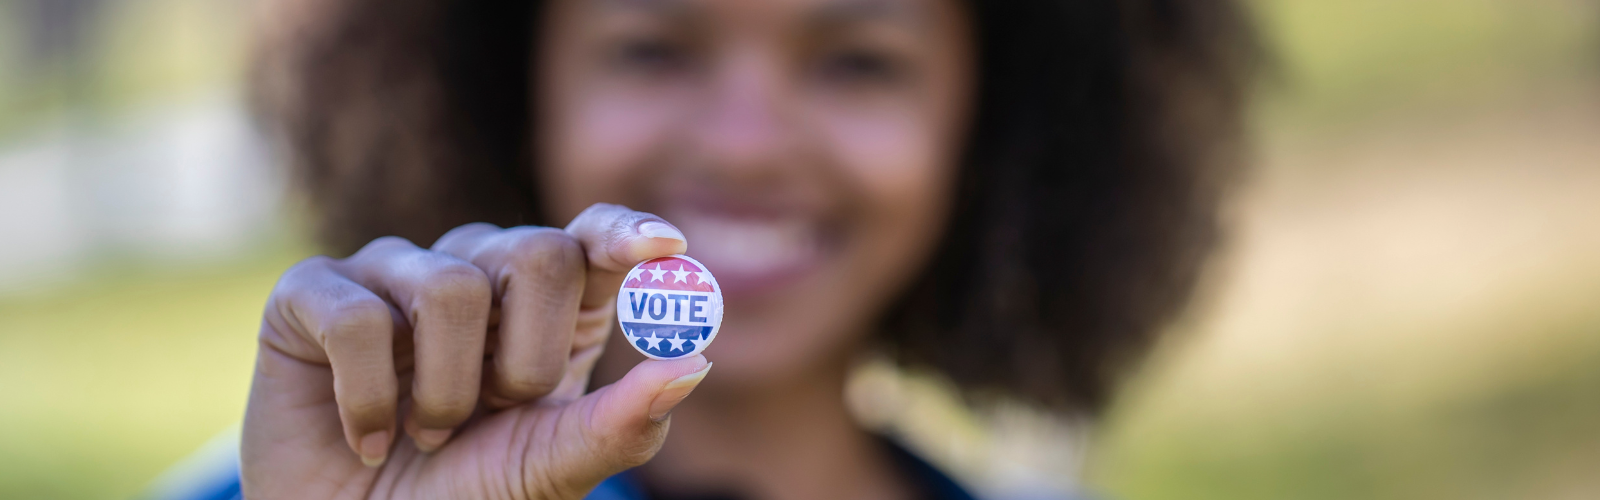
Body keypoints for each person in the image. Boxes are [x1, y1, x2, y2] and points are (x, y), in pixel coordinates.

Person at [193, 0, 1254, 498]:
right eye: (652, 48)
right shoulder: (298, 488)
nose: (745, 146)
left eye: (856, 63)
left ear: (993, 119)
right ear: (513, 89)